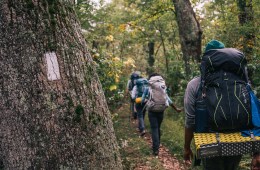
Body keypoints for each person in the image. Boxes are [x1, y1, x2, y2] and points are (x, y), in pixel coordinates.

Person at [183, 40, 242, 169]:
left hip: (209, 141)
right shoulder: (239, 81)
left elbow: (190, 120)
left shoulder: (195, 84)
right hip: (238, 140)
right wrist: (257, 152)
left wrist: (187, 147)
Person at [142, 73, 182, 156]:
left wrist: (144, 104)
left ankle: (155, 149)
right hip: (161, 110)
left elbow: (143, 100)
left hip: (152, 110)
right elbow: (167, 99)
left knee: (154, 128)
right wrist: (176, 109)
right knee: (158, 128)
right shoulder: (162, 86)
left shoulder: (148, 87)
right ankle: (158, 144)